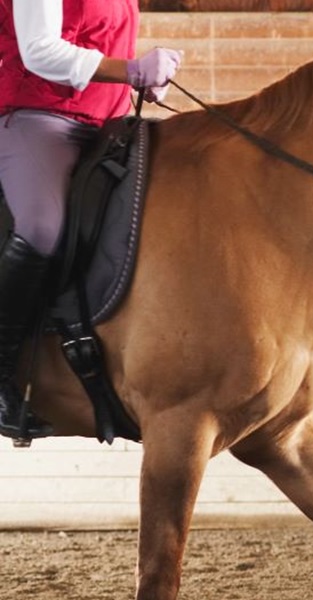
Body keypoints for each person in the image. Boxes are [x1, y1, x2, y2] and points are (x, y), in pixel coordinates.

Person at [0, 0, 181, 438]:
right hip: (38, 117)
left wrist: (146, 80)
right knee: (42, 228)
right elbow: (39, 50)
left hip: (109, 125)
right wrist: (130, 69)